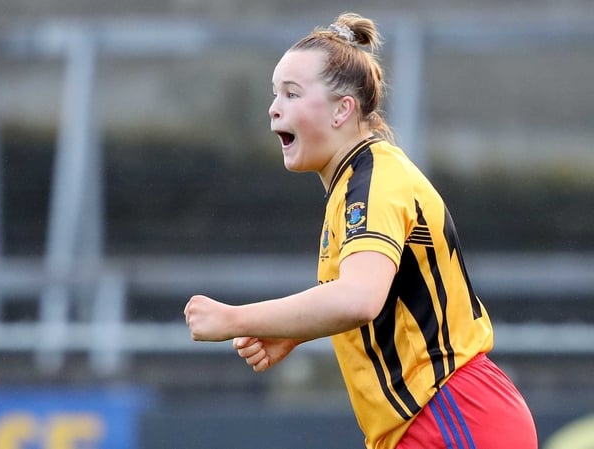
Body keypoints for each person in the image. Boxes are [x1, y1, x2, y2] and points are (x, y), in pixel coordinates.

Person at [183, 12, 538, 449]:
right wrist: (293, 330)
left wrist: (233, 318)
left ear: (342, 110)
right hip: (428, 422)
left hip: (453, 414)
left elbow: (358, 299)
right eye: (274, 94)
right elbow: (378, 298)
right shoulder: (352, 186)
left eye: (291, 94)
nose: (274, 107)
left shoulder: (375, 181)